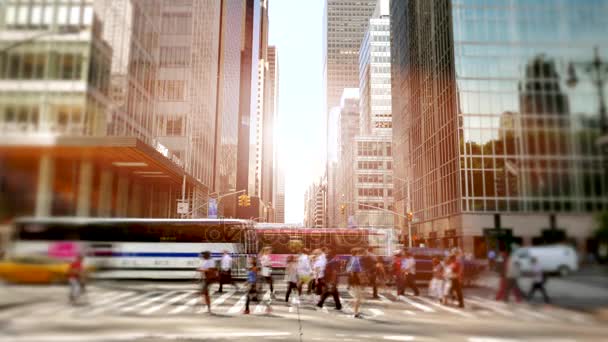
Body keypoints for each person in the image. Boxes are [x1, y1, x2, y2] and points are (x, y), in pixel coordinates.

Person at [346, 248, 364, 318]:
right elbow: (356, 271)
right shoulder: (356, 260)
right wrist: (361, 280)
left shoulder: (351, 259)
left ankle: (356, 311)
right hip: (355, 279)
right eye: (360, 253)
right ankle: (355, 312)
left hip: (352, 279)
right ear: (357, 253)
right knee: (358, 297)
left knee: (358, 297)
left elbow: (348, 270)